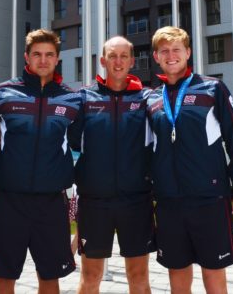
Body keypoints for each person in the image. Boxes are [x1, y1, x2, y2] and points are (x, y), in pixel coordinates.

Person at [146, 26, 233, 293]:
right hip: (169, 202)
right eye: (164, 51)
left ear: (188, 53)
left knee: (213, 274)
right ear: (156, 57)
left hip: (209, 199)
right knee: (177, 275)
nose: (171, 56)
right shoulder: (151, 99)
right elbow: (147, 150)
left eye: (176, 50)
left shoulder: (212, 88)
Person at [0, 28, 82, 294]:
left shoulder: (72, 99)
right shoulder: (3, 93)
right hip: (8, 200)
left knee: (50, 277)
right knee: (4, 277)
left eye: (49, 55)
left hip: (51, 203)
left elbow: (78, 145)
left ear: (57, 58)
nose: (43, 60)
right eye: (37, 54)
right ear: (26, 57)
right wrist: (4, 162)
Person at [69, 36, 155, 294]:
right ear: (103, 61)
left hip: (137, 201)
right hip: (95, 203)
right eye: (112, 56)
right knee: (91, 275)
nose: (118, 62)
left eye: (124, 56)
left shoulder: (147, 98)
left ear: (132, 61)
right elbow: (66, 141)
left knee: (138, 275)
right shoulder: (84, 98)